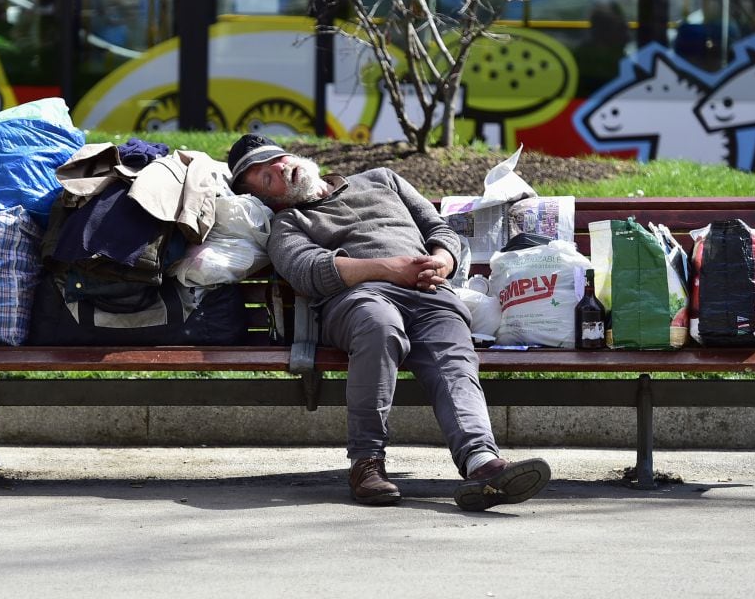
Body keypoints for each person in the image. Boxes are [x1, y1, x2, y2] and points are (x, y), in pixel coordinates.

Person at [228, 134, 551, 510]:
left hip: (430, 291)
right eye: (267, 178)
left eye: (277, 160)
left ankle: (481, 463)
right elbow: (309, 271)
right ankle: (366, 463)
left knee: (452, 352)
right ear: (270, 200)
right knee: (378, 326)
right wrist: (390, 269)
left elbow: (440, 229)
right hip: (359, 299)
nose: (280, 169)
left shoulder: (383, 179)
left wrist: (443, 260)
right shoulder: (288, 224)